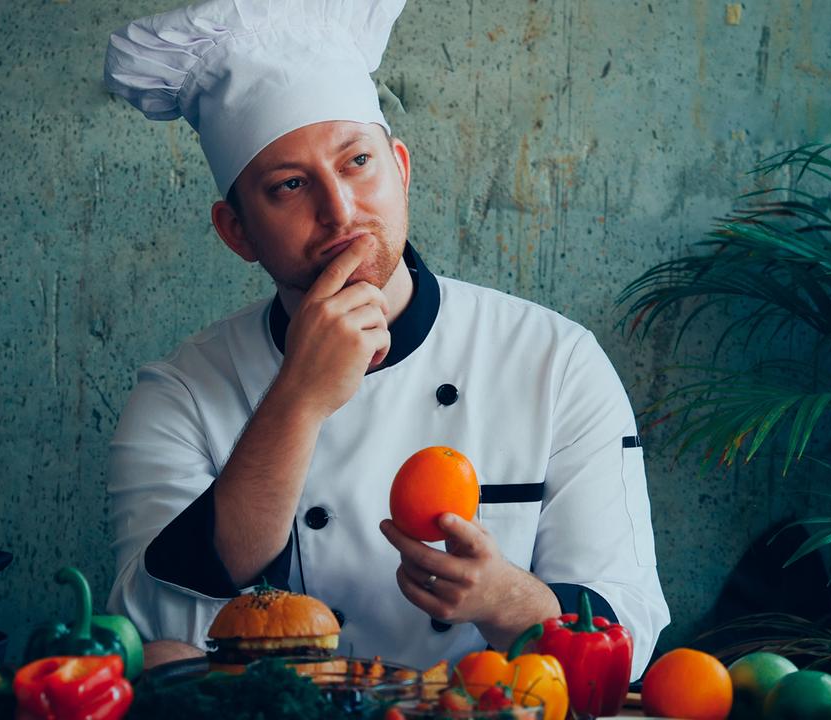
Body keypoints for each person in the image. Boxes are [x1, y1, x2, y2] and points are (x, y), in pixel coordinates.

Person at [101, 0, 669, 677]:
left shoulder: (555, 361)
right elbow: (157, 633)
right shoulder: (182, 392)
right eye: (288, 185)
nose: (340, 211)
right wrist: (298, 402)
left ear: (400, 168)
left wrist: (506, 598)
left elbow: (629, 638)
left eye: (358, 161)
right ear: (238, 232)